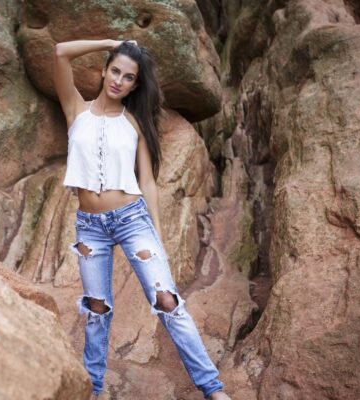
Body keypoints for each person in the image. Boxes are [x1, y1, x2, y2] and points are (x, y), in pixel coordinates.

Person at [53, 39, 231, 400]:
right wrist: (111, 43)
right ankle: (95, 390)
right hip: (90, 227)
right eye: (115, 70)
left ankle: (213, 390)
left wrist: (159, 235)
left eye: (128, 77)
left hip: (132, 220)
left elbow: (147, 180)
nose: (119, 80)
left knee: (167, 301)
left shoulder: (135, 123)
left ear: (135, 85)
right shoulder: (76, 110)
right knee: (97, 310)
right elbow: (59, 52)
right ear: (104, 70)